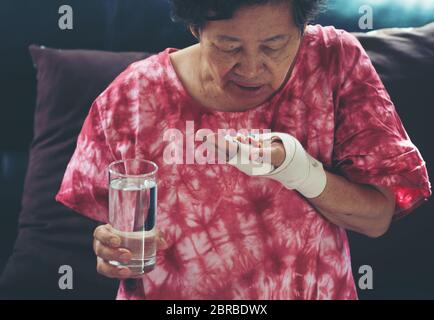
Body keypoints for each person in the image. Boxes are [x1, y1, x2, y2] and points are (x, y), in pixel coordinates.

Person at [55, 0, 431, 300]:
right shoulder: (133, 97)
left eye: (275, 45)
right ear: (195, 28)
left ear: (302, 28)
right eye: (228, 47)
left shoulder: (334, 62)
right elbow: (110, 238)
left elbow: (377, 216)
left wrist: (302, 171)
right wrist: (110, 250)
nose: (252, 68)